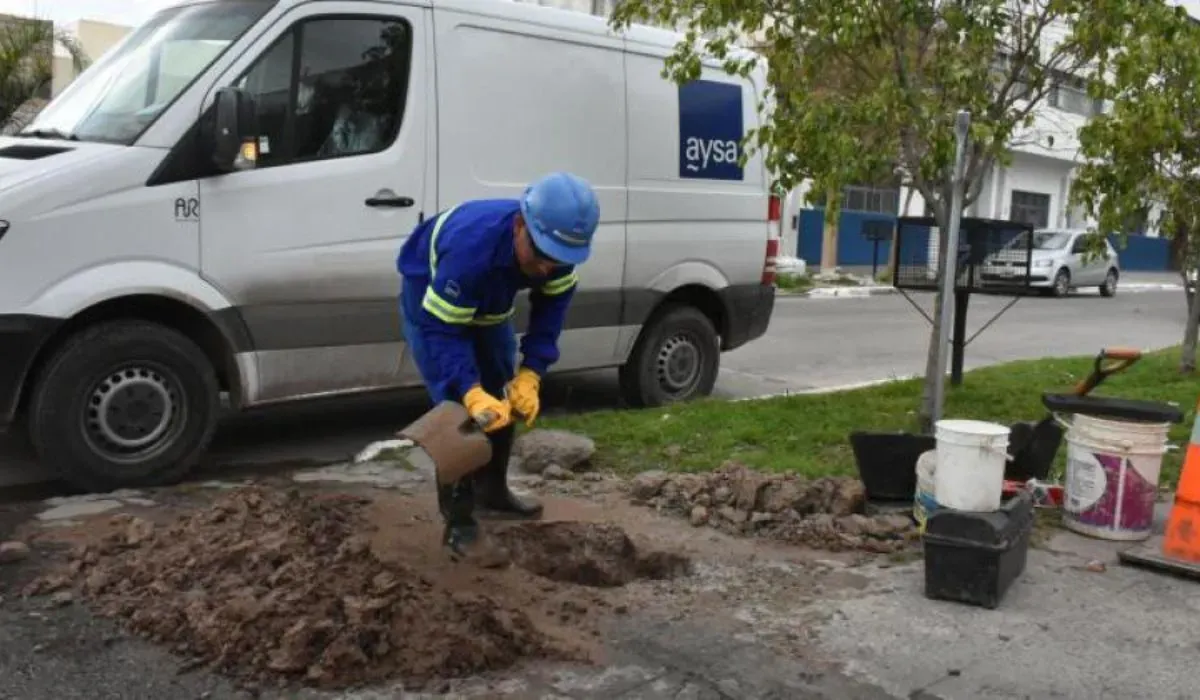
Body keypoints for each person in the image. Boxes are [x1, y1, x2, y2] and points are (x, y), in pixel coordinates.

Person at [396, 172, 601, 558]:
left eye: (557, 260)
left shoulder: (556, 253)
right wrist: (469, 392)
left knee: (502, 392)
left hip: (491, 305)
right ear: (520, 225)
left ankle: (493, 492)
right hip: (432, 300)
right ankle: (459, 525)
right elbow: (444, 332)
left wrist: (532, 374)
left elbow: (551, 312)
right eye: (540, 255)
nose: (545, 268)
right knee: (455, 409)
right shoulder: (471, 250)